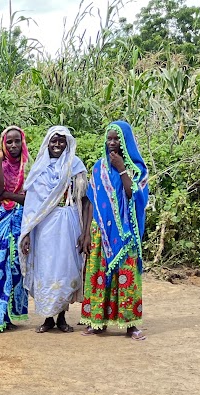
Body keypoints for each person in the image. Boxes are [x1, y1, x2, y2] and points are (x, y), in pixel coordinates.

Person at [81, 120, 149, 341]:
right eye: (109, 138)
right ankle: (97, 322)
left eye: (116, 139)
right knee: (100, 276)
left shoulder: (136, 169)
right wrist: (86, 232)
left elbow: (135, 196)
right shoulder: (98, 168)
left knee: (126, 277)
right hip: (100, 231)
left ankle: (130, 324)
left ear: (125, 141)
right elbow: (90, 201)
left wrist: (121, 169)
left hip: (126, 234)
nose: (111, 143)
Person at [20, 126, 91, 333]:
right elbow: (31, 205)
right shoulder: (38, 169)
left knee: (64, 269)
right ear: (47, 143)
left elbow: (85, 201)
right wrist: (27, 234)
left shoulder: (75, 166)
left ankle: (61, 317)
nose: (58, 145)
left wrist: (85, 232)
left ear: (67, 143)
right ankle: (47, 318)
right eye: (54, 141)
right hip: (43, 226)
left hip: (68, 222)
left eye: (62, 141)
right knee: (46, 269)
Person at [0, 126, 30, 332]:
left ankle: (10, 315)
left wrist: (8, 197)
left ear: (22, 142)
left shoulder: (28, 167)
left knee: (16, 267)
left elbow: (29, 197)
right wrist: (1, 161)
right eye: (8, 141)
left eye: (16, 141)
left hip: (21, 221)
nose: (13, 145)